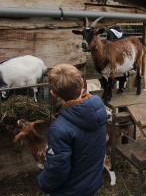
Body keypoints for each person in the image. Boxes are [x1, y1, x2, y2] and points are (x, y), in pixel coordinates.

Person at [36, 63, 108, 196]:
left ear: (54, 94)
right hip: (93, 183)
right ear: (82, 83)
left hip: (71, 191)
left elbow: (57, 170)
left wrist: (41, 182)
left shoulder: (59, 129)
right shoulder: (98, 109)